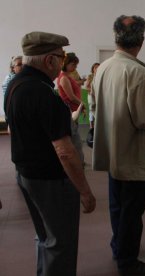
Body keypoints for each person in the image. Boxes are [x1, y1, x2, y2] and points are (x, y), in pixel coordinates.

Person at [5, 31, 96, 276]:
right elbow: (64, 151)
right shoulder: (44, 93)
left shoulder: (15, 86)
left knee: (44, 237)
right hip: (50, 181)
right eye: (60, 56)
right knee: (61, 243)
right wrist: (85, 191)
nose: (62, 61)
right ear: (49, 60)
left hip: (26, 175)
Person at [92, 15, 145, 276]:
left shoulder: (102, 68)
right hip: (133, 156)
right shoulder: (137, 72)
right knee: (132, 213)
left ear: (116, 37)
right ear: (142, 40)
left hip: (113, 153)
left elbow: (94, 107)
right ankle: (128, 262)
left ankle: (118, 247)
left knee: (117, 207)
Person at [57, 52, 85, 163]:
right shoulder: (63, 77)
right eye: (73, 64)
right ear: (66, 63)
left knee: (74, 135)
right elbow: (71, 97)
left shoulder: (68, 76)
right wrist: (82, 104)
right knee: (73, 138)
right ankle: (75, 162)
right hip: (69, 110)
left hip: (73, 109)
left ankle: (75, 161)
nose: (75, 67)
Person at [85, 62, 100, 128]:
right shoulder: (90, 76)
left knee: (98, 111)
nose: (97, 69)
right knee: (92, 110)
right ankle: (92, 127)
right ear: (93, 69)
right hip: (91, 96)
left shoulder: (100, 75)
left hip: (99, 96)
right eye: (96, 67)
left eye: (98, 67)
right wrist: (92, 92)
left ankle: (97, 127)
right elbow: (86, 87)